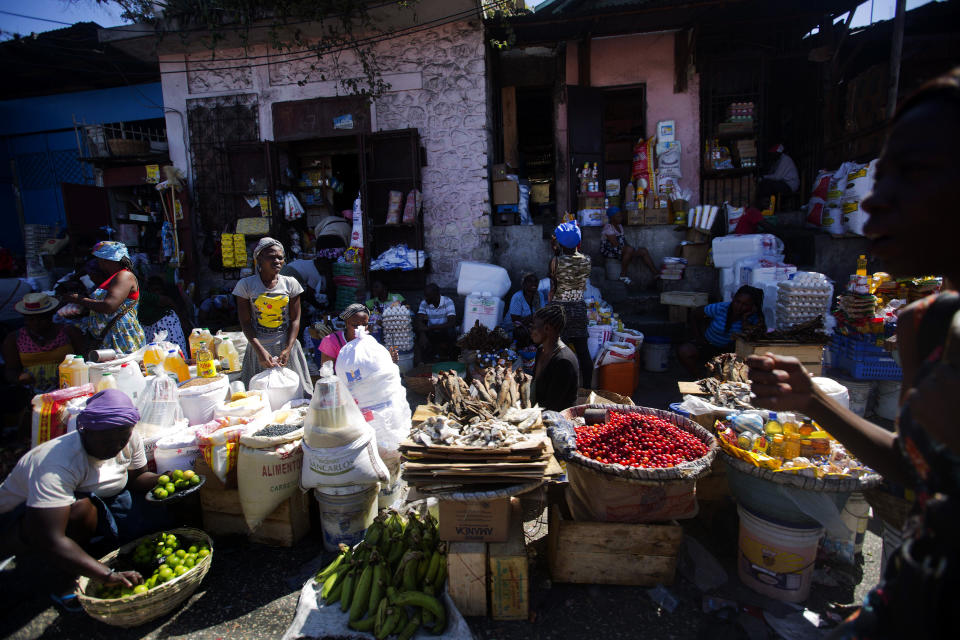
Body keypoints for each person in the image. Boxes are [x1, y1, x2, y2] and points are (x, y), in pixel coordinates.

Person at [748, 69, 960, 639]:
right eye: (881, 177)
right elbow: (920, 467)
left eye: (911, 175)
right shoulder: (929, 325)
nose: (873, 203)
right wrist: (813, 402)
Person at [0, 389, 165, 612]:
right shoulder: (57, 463)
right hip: (23, 520)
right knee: (82, 509)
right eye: (107, 439)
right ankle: (67, 579)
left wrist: (166, 478)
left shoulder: (128, 438)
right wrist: (106, 575)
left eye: (122, 438)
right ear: (85, 431)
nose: (116, 446)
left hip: (101, 501)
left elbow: (136, 479)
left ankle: (92, 551)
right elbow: (52, 537)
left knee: (158, 521)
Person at [233, 238, 312, 397]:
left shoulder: (291, 283)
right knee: (261, 398)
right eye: (271, 256)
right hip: (259, 350)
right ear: (259, 259)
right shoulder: (245, 285)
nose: (277, 260)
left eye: (280, 257)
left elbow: (295, 320)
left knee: (296, 397)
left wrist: (288, 349)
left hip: (287, 347)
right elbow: (246, 323)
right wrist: (260, 351)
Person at [58, 241, 145, 354]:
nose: (98, 263)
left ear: (106, 260)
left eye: (99, 260)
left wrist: (77, 299)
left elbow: (109, 306)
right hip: (109, 337)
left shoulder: (124, 276)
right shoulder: (113, 278)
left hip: (121, 337)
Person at [3, 293, 85, 393]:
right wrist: (20, 378)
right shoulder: (14, 338)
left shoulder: (70, 332)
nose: (36, 323)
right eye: (31, 319)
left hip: (70, 387)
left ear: (50, 316)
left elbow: (85, 359)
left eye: (41, 318)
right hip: (32, 392)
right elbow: (11, 370)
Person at [678, 285, 764, 376]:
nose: (739, 306)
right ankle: (700, 378)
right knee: (684, 351)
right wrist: (699, 338)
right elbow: (694, 315)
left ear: (752, 306)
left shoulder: (754, 318)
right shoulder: (721, 308)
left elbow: (750, 339)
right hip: (708, 345)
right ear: (733, 299)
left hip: (730, 352)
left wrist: (745, 320)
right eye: (737, 302)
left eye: (745, 305)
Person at [549, 221, 593, 386]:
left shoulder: (555, 261)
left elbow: (554, 285)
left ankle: (563, 387)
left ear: (560, 242)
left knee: (560, 352)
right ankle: (587, 388)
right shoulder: (587, 260)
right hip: (579, 308)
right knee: (583, 351)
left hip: (560, 309)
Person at [530, 304, 580, 411]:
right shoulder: (541, 350)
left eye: (534, 327)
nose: (531, 331)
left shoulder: (564, 361)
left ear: (547, 328)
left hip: (556, 418)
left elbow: (554, 406)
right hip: (538, 411)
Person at [600, 206, 658, 285]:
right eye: (618, 216)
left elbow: (624, 242)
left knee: (643, 251)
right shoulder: (608, 227)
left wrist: (633, 250)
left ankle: (655, 273)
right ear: (612, 218)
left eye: (621, 216)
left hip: (621, 249)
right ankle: (623, 275)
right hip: (610, 250)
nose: (621, 218)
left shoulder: (620, 226)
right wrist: (630, 252)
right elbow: (615, 244)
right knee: (629, 250)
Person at [138, 276, 189, 355]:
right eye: (154, 290)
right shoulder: (141, 296)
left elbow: (168, 301)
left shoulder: (144, 295)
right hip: (147, 326)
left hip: (165, 324)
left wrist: (182, 319)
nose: (157, 292)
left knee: (174, 353)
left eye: (158, 290)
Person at [318, 304, 370, 372]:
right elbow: (327, 374)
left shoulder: (369, 341)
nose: (360, 328)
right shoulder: (330, 341)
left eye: (365, 325)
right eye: (355, 325)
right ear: (346, 323)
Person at [415, 283, 458, 363]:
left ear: (436, 295)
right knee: (419, 336)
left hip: (444, 330)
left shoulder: (448, 301)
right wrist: (422, 334)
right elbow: (419, 320)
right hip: (431, 331)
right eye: (425, 296)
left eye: (428, 296)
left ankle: (450, 360)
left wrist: (431, 327)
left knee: (451, 332)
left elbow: (451, 322)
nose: (426, 298)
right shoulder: (424, 303)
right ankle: (422, 364)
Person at [506, 273, 544, 348]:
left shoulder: (540, 295)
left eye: (536, 281)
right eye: (530, 281)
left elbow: (542, 314)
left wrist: (533, 321)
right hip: (513, 329)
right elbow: (516, 321)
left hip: (531, 326)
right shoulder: (517, 297)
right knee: (520, 332)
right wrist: (533, 318)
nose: (534, 283)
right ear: (523, 284)